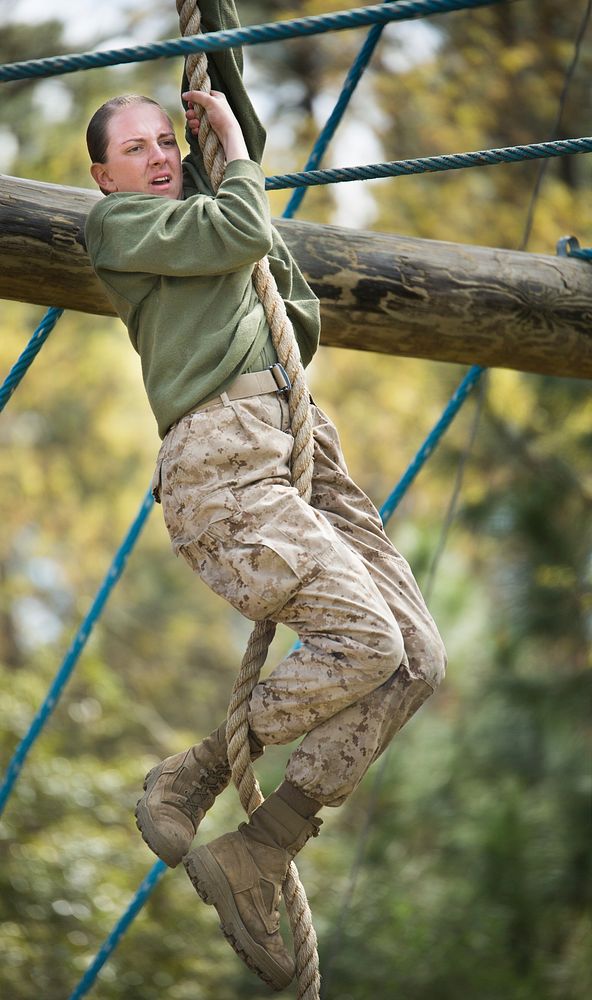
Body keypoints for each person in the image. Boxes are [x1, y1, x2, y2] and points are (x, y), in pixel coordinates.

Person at [84, 0, 446, 989]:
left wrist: (215, 34)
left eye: (169, 140)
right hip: (223, 456)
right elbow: (244, 217)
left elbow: (226, 99)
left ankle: (265, 843)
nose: (161, 157)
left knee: (416, 657)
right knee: (363, 641)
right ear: (104, 173)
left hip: (298, 432)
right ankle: (197, 771)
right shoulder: (126, 226)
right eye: (139, 147)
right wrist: (233, 151)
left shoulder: (198, 191)